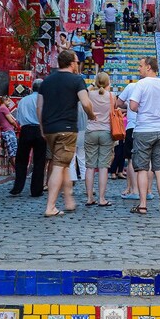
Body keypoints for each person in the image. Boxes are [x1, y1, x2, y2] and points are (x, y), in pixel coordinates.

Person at [37, 50, 97, 217]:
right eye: (77, 62)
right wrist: (91, 115)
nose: (78, 64)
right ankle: (50, 206)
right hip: (67, 129)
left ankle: (69, 198)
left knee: (62, 163)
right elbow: (85, 102)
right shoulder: (77, 80)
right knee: (58, 166)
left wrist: (42, 128)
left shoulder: (46, 81)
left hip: (49, 129)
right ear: (71, 63)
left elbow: (39, 106)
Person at [128, 56, 160, 214]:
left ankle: (142, 205)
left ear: (148, 67)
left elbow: (133, 106)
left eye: (140, 65)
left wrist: (142, 107)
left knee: (142, 169)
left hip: (143, 130)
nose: (138, 68)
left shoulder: (141, 84)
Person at [10, 80, 46, 197]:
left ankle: (18, 187)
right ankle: (36, 189)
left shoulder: (23, 100)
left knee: (21, 160)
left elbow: (18, 119)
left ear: (32, 88)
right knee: (39, 161)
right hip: (40, 130)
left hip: (26, 130)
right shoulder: (44, 100)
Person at [84, 72, 115, 206]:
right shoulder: (111, 96)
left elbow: (83, 94)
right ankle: (102, 198)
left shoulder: (90, 94)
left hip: (91, 130)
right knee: (103, 167)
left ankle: (90, 197)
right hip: (106, 131)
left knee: (90, 167)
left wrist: (92, 85)